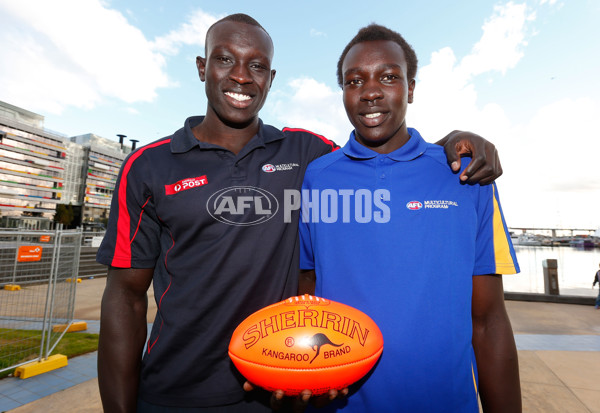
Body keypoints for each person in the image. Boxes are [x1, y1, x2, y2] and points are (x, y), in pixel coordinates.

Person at [97, 14, 505, 412]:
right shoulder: (149, 166)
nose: (241, 76)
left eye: (257, 65)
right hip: (174, 391)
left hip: (274, 388)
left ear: (270, 79)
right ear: (202, 67)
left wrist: (453, 144)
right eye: (224, 59)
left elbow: (389, 160)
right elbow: (125, 298)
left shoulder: (303, 154)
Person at [299, 24, 521, 412]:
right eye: (355, 81)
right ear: (344, 94)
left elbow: (488, 322)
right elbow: (306, 296)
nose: (370, 92)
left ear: (411, 88)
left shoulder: (465, 175)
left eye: (388, 77)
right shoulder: (318, 178)